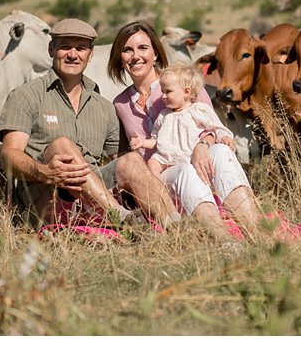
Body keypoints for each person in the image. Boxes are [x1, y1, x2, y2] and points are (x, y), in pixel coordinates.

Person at [0, 18, 181, 231]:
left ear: (90, 55)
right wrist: (44, 171)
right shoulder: (26, 96)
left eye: (81, 48)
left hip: (95, 199)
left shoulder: (103, 107)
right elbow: (8, 155)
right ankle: (124, 220)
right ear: (51, 49)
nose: (73, 54)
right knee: (62, 146)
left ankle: (176, 226)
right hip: (46, 196)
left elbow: (120, 162)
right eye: (65, 47)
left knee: (131, 160)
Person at [109, 21, 263, 242]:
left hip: (200, 164)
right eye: (127, 50)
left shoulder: (184, 84)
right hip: (161, 178)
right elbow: (125, 155)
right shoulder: (120, 104)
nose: (135, 56)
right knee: (184, 171)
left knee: (221, 152)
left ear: (155, 53)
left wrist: (203, 145)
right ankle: (224, 241)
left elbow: (210, 127)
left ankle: (256, 232)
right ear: (120, 57)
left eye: (143, 48)